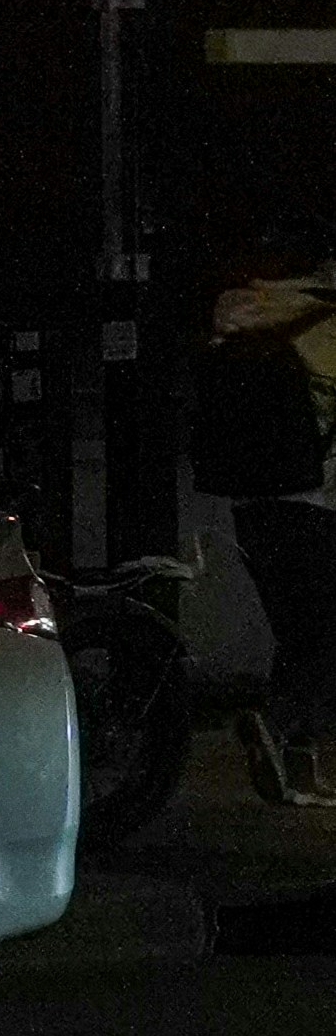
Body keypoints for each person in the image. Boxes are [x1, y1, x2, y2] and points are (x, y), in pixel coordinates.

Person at [206, 225, 336, 806]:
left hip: (250, 503)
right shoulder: (326, 320)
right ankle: (275, 725)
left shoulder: (247, 305)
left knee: (301, 633)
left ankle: (302, 769)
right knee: (320, 634)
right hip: (315, 501)